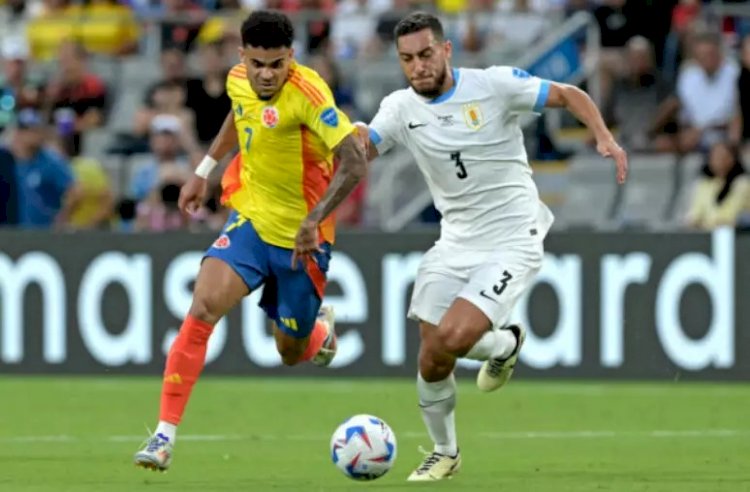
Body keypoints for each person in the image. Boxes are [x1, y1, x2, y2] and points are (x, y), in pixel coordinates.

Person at [357, 12, 628, 482]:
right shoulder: (400, 107)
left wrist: (603, 137)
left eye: (425, 55)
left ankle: (505, 341)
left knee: (454, 338)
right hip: (455, 241)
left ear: (446, 51)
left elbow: (568, 93)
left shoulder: (494, 85)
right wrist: (329, 139)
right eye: (407, 59)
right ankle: (446, 452)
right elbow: (365, 147)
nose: (417, 66)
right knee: (431, 356)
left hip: (511, 238)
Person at [133, 10, 368, 472]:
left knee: (289, 351)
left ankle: (318, 329)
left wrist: (315, 219)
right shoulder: (239, 79)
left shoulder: (309, 93)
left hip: (304, 242)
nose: (265, 74)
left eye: (276, 64)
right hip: (253, 223)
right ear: (243, 56)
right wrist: (204, 172)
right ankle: (163, 436)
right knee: (202, 308)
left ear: (291, 58)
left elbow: (356, 161)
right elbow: (237, 117)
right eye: (257, 63)